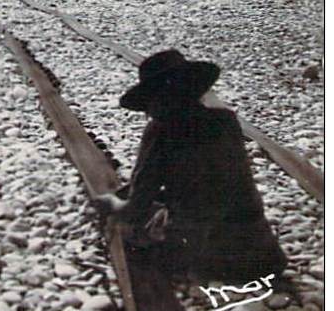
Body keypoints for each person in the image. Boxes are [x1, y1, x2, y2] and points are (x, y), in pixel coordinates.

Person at [96, 50, 287, 283]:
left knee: (127, 224)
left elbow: (137, 206)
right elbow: (215, 181)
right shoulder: (226, 120)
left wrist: (111, 204)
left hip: (211, 258)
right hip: (262, 251)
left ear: (157, 100)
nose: (147, 112)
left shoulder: (160, 130)